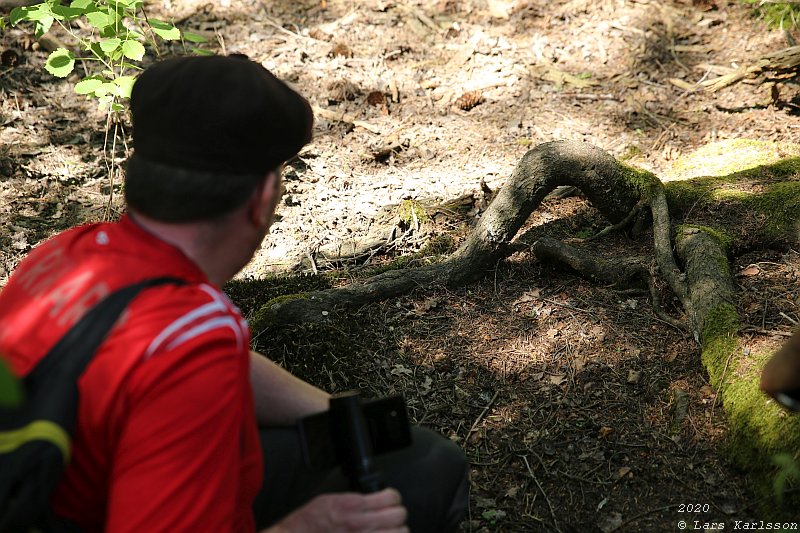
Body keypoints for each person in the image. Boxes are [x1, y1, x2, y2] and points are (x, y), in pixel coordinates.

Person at [0, 55, 468, 532]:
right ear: (263, 196)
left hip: (47, 494)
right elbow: (186, 359)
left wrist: (338, 416)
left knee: (419, 458)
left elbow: (178, 361)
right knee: (423, 481)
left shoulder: (69, 252)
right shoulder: (191, 337)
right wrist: (311, 526)